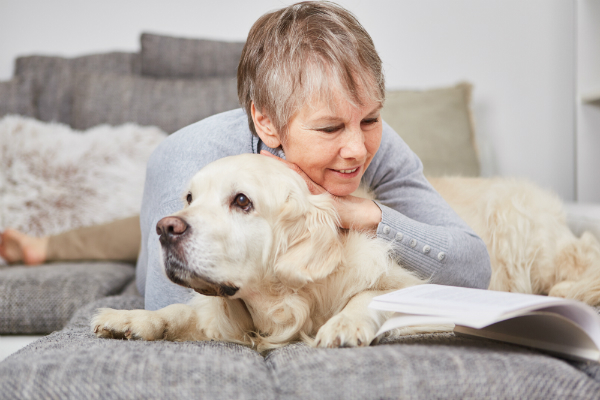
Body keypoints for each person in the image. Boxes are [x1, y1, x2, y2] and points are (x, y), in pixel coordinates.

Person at [1, 2, 491, 311]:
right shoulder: (193, 159)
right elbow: (168, 304)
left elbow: (472, 268)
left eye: (370, 119)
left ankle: (40, 247)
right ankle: (44, 247)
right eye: (329, 128)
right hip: (176, 213)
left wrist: (364, 213)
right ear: (267, 124)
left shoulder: (370, 143)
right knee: (147, 230)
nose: (357, 149)